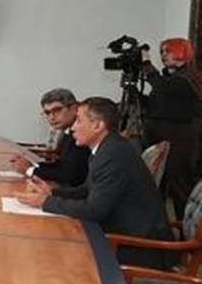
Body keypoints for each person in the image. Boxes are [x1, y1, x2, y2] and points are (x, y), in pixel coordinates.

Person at [16, 98, 174, 269]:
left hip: (137, 247)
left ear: (97, 126)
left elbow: (94, 210)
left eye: (78, 120)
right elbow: (87, 190)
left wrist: (46, 202)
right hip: (121, 234)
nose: (73, 128)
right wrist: (52, 192)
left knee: (53, 256)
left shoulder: (112, 154)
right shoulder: (106, 147)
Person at [142, 38, 202, 219]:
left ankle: (187, 229)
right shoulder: (174, 77)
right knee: (164, 182)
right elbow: (162, 102)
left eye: (167, 51)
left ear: (180, 52)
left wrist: (146, 64)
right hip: (170, 136)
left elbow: (163, 88)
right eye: (162, 52)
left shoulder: (187, 78)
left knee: (179, 185)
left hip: (182, 140)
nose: (163, 56)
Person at [9, 88, 90, 186]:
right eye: (47, 113)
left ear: (74, 109)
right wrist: (33, 165)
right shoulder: (67, 132)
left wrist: (30, 170)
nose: (51, 117)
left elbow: (70, 175)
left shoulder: (82, 134)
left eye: (57, 110)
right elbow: (62, 166)